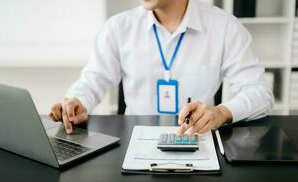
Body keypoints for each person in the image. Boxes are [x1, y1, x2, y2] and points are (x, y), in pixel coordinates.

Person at [49, 0, 273, 135]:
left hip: (197, 141)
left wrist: (222, 112)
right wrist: (78, 101)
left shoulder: (224, 27)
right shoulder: (118, 28)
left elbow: (260, 93)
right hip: (132, 142)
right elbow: (93, 80)